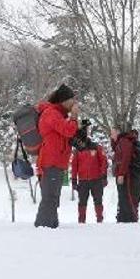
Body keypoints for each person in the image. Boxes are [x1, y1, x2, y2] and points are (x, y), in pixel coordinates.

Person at [34, 84, 80, 228]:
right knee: (50, 197)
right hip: (50, 162)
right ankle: (44, 227)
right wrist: (74, 117)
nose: (74, 103)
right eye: (72, 99)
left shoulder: (59, 115)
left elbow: (71, 134)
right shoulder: (51, 113)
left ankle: (51, 226)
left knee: (53, 197)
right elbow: (68, 131)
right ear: (64, 101)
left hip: (57, 162)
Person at [71, 124, 108, 223]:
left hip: (96, 180)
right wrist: (74, 180)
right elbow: (74, 165)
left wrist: (103, 176)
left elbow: (104, 162)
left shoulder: (96, 147)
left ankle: (100, 220)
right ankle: (81, 221)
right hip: (83, 181)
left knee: (98, 201)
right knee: (82, 202)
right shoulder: (77, 150)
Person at [111, 126, 140, 223]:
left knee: (127, 195)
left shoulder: (124, 142)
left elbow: (125, 158)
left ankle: (130, 217)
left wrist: (121, 174)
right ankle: (123, 216)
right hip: (124, 174)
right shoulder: (119, 142)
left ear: (118, 132)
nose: (111, 135)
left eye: (112, 133)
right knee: (122, 195)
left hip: (127, 174)